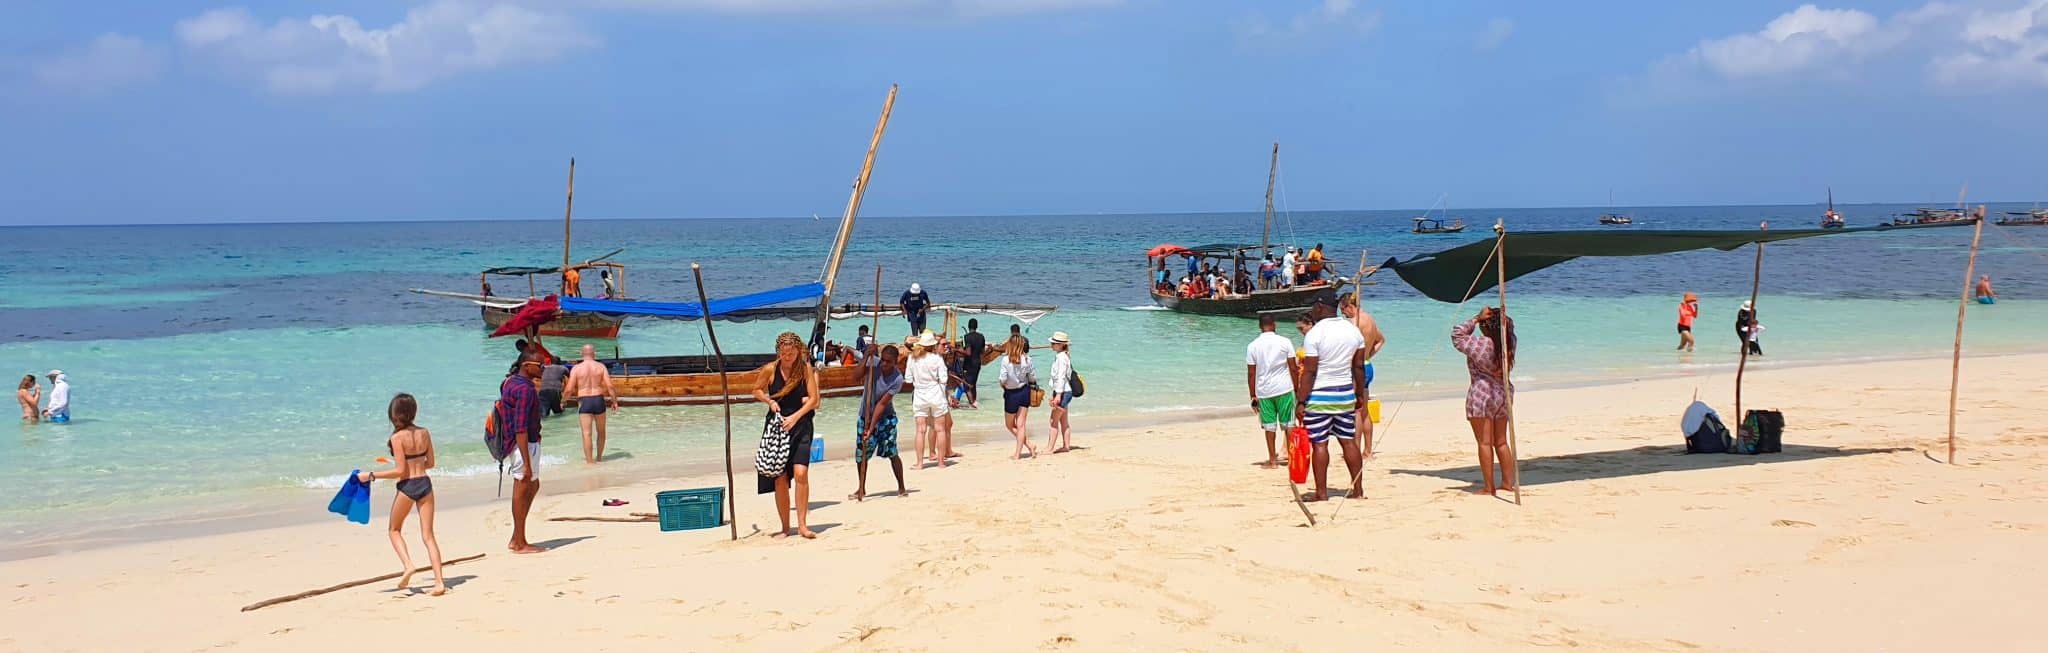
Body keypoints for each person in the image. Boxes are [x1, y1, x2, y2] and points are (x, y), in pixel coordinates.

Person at [353, 394, 447, 596]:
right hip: (425, 483)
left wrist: (369, 475)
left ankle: (408, 565)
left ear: (394, 415)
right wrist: (416, 463)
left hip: (407, 486)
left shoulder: (396, 438)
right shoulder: (425, 432)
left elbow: (399, 471)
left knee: (394, 530)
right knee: (428, 536)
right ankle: (439, 582)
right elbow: (430, 463)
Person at [1295, 295, 1365, 502]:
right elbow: (1359, 367)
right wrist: (1359, 394)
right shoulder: (1353, 330)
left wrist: (1301, 401)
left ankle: (1322, 493)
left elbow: (1309, 371)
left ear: (1319, 307)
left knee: (1320, 444)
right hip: (1344, 394)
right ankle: (1358, 491)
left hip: (1319, 396)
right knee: (1349, 443)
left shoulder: (1314, 334)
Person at [754, 332, 822, 538]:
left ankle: (802, 525)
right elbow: (756, 389)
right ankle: (785, 526)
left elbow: (814, 399)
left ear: (798, 351)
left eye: (792, 353)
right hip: (777, 428)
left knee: (801, 473)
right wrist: (770, 401)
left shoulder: (805, 369)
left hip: (801, 426)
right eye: (784, 353)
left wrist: (796, 416)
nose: (788, 357)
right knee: (780, 477)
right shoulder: (770, 369)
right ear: (779, 352)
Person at [1452, 306, 1518, 496]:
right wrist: (1500, 322)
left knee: (1484, 442)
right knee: (1501, 442)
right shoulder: (1508, 344)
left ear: (1485, 327)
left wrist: (1476, 319)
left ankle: (1489, 487)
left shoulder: (1481, 344)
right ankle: (1507, 482)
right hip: (1502, 392)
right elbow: (1507, 333)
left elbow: (1457, 334)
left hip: (1482, 393)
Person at [501, 353, 545, 554]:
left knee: (533, 485)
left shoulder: (509, 382)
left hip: (518, 443)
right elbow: (520, 427)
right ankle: (519, 542)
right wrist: (526, 461)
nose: (543, 369)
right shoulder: (525, 389)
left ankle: (516, 537)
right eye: (540, 365)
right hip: (523, 445)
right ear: (527, 366)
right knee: (523, 485)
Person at [854, 344, 908, 501]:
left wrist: (871, 428)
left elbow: (881, 404)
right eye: (883, 360)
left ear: (895, 362)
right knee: (861, 454)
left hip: (885, 418)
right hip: (864, 415)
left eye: (888, 362)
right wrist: (866, 356)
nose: (884, 364)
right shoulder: (873, 363)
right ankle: (861, 488)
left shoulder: (897, 379)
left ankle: (902, 487)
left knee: (892, 453)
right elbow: (855, 376)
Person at [1246, 314, 1300, 468]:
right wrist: (1296, 389)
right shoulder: (1285, 342)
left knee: (1269, 427)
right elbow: (1293, 368)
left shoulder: (1253, 346)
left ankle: (1272, 460)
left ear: (1259, 327)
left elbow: (1251, 373)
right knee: (1289, 425)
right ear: (1274, 325)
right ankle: (1292, 459)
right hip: (1284, 388)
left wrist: (1253, 395)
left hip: (1264, 391)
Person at [1338, 292, 1386, 458]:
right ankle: (1368, 449)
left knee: (1356, 411)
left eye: (1343, 310)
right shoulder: (1370, 319)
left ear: (1349, 306)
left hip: (1356, 369)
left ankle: (1356, 448)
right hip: (1367, 366)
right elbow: (1381, 340)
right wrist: (1367, 356)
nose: (1342, 314)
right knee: (1364, 410)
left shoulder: (1353, 323)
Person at [907, 332, 952, 468]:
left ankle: (920, 463)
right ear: (933, 345)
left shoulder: (912, 358)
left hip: (920, 395)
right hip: (936, 395)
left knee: (920, 430)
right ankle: (940, 462)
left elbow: (908, 379)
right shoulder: (937, 359)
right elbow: (944, 379)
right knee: (940, 429)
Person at [567, 344, 619, 464]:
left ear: (582, 353)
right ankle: (599, 458)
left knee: (586, 433)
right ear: (594, 353)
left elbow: (569, 388)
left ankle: (590, 462)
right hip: (598, 399)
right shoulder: (601, 367)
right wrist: (614, 401)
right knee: (601, 432)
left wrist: (563, 400)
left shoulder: (576, 368)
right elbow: (610, 386)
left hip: (584, 400)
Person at [999, 335, 1038, 459]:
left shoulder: (1006, 360)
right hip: (1024, 392)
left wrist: (1003, 385)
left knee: (1010, 425)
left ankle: (1023, 449)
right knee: (1021, 425)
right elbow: (1032, 378)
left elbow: (1003, 379)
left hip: (1011, 394)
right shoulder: (1027, 359)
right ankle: (1024, 449)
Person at [1046, 332, 1076, 453]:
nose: (1051, 344)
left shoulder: (1061, 358)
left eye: (1053, 343)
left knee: (1053, 421)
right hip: (1064, 391)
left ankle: (1049, 448)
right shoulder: (1064, 356)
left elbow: (1061, 376)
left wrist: (1057, 395)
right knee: (1063, 421)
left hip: (1063, 392)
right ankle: (1066, 446)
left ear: (1060, 345)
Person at [961, 319, 987, 409]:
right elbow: (983, 352)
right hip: (977, 363)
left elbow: (968, 353)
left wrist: (957, 350)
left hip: (969, 364)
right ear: (976, 326)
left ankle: (972, 404)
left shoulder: (967, 337)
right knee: (974, 384)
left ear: (968, 326)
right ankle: (974, 401)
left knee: (966, 385)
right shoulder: (981, 336)